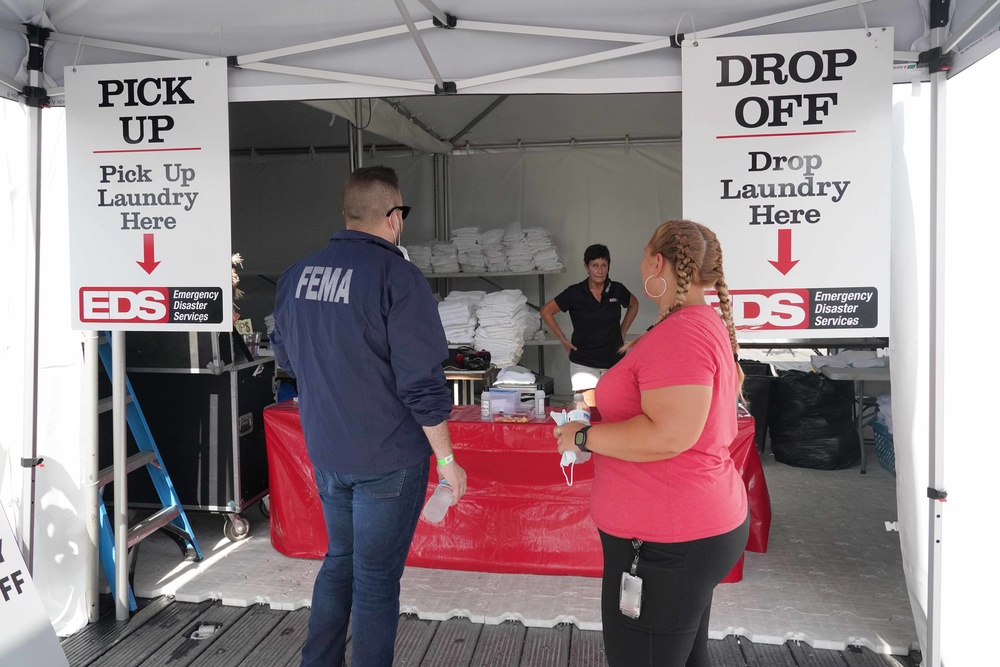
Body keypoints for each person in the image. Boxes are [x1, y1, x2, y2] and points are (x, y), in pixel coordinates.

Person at [270, 165, 467, 667]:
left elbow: (287, 363)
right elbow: (420, 383)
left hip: (328, 453)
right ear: (393, 217)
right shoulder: (398, 278)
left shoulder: (296, 276)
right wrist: (447, 460)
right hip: (388, 459)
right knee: (376, 579)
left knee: (340, 562)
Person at [553, 220, 749, 667]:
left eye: (643, 254)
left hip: (666, 542)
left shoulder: (682, 333)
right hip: (680, 531)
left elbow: (668, 434)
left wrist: (582, 436)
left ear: (658, 262)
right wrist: (598, 406)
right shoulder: (693, 323)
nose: (640, 263)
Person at [539, 244, 638, 406]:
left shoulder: (617, 290)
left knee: (613, 409)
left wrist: (623, 330)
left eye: (603, 266)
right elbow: (545, 311)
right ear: (586, 267)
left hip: (614, 361)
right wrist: (563, 339)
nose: (599, 271)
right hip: (584, 361)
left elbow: (634, 304)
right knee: (589, 411)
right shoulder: (575, 292)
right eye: (594, 266)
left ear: (608, 266)